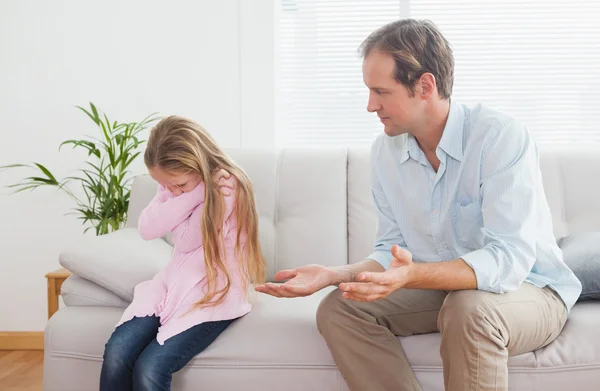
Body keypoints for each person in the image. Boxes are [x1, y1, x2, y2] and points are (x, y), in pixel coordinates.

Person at [255, 19, 582, 391]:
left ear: (424, 86)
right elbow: (390, 252)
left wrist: (413, 275)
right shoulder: (385, 152)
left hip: (530, 289)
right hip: (447, 290)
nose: (370, 106)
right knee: (340, 309)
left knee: (469, 310)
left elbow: (508, 260)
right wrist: (334, 275)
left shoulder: (498, 138)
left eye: (381, 91)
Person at [99, 115, 266, 391]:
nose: (172, 191)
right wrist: (191, 192)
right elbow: (147, 227)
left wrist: (193, 194)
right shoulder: (178, 183)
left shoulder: (227, 187)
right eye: (166, 187)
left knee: (150, 368)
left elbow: (187, 239)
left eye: (180, 186)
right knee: (117, 353)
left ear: (198, 166)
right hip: (173, 285)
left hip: (213, 293)